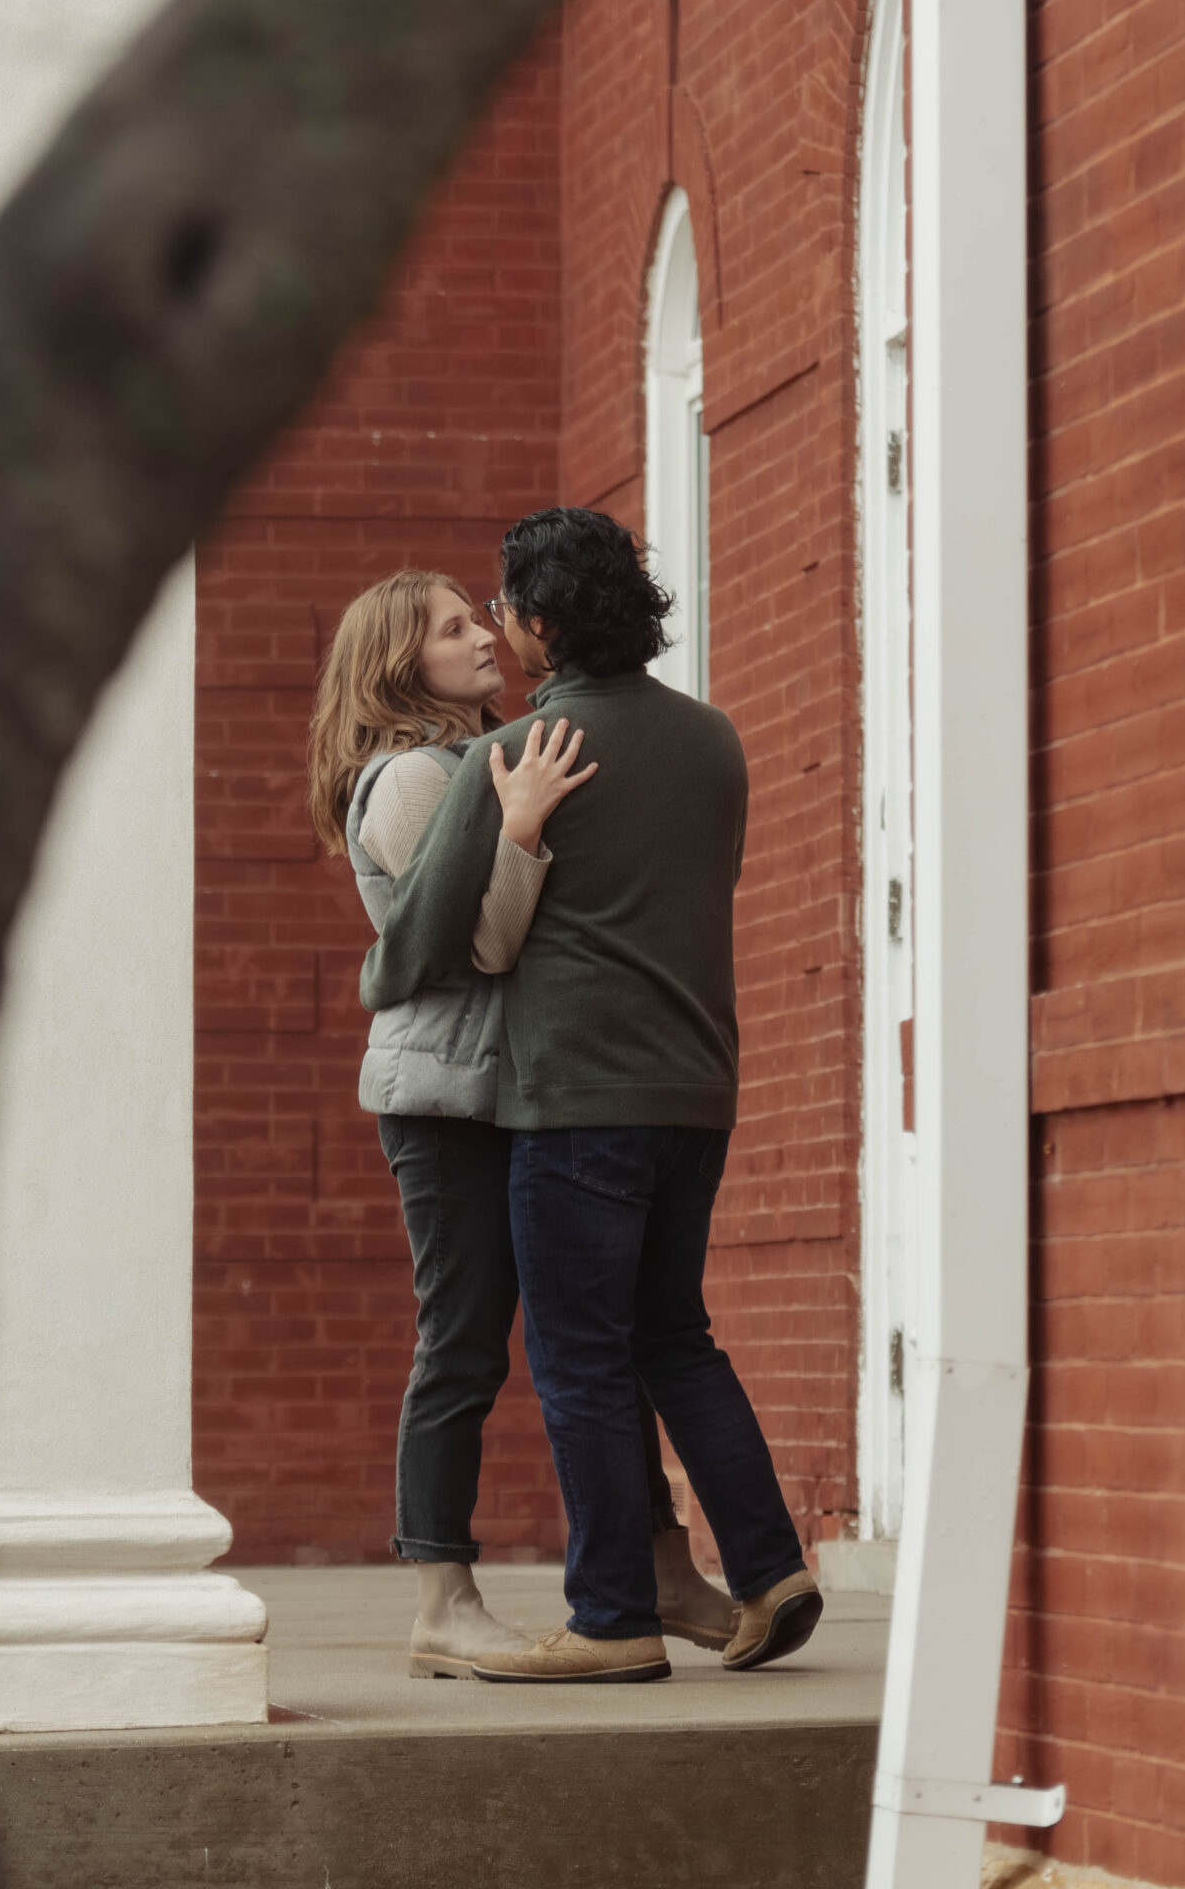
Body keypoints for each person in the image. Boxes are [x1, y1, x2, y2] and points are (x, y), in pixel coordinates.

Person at [359, 510, 822, 1685]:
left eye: (501, 609)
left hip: (571, 1098)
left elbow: (415, 945)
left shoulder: (517, 749)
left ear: (542, 620)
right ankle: (770, 1565)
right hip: (696, 1086)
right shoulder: (714, 739)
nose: (495, 630)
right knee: (677, 1334)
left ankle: (612, 1613)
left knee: (575, 1358)